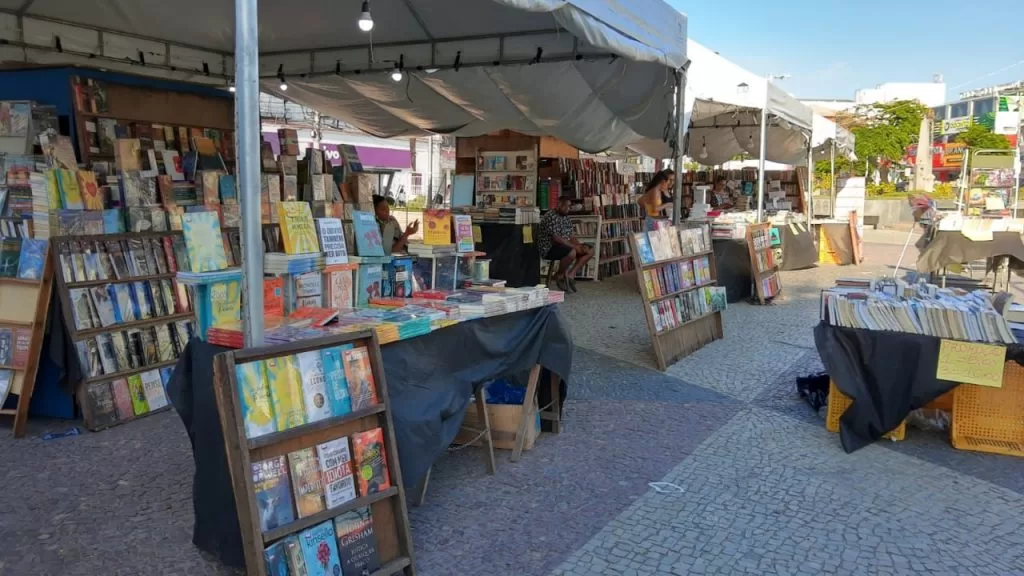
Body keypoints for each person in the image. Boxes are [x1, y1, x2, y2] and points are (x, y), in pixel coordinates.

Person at [538, 196, 592, 293]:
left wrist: (580, 246)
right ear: (559, 205)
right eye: (566, 206)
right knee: (571, 252)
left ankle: (571, 275)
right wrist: (575, 247)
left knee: (589, 251)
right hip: (549, 248)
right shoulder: (550, 216)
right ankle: (559, 275)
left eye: (570, 206)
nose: (569, 208)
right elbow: (556, 238)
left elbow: (571, 236)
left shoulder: (566, 218)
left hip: (563, 246)